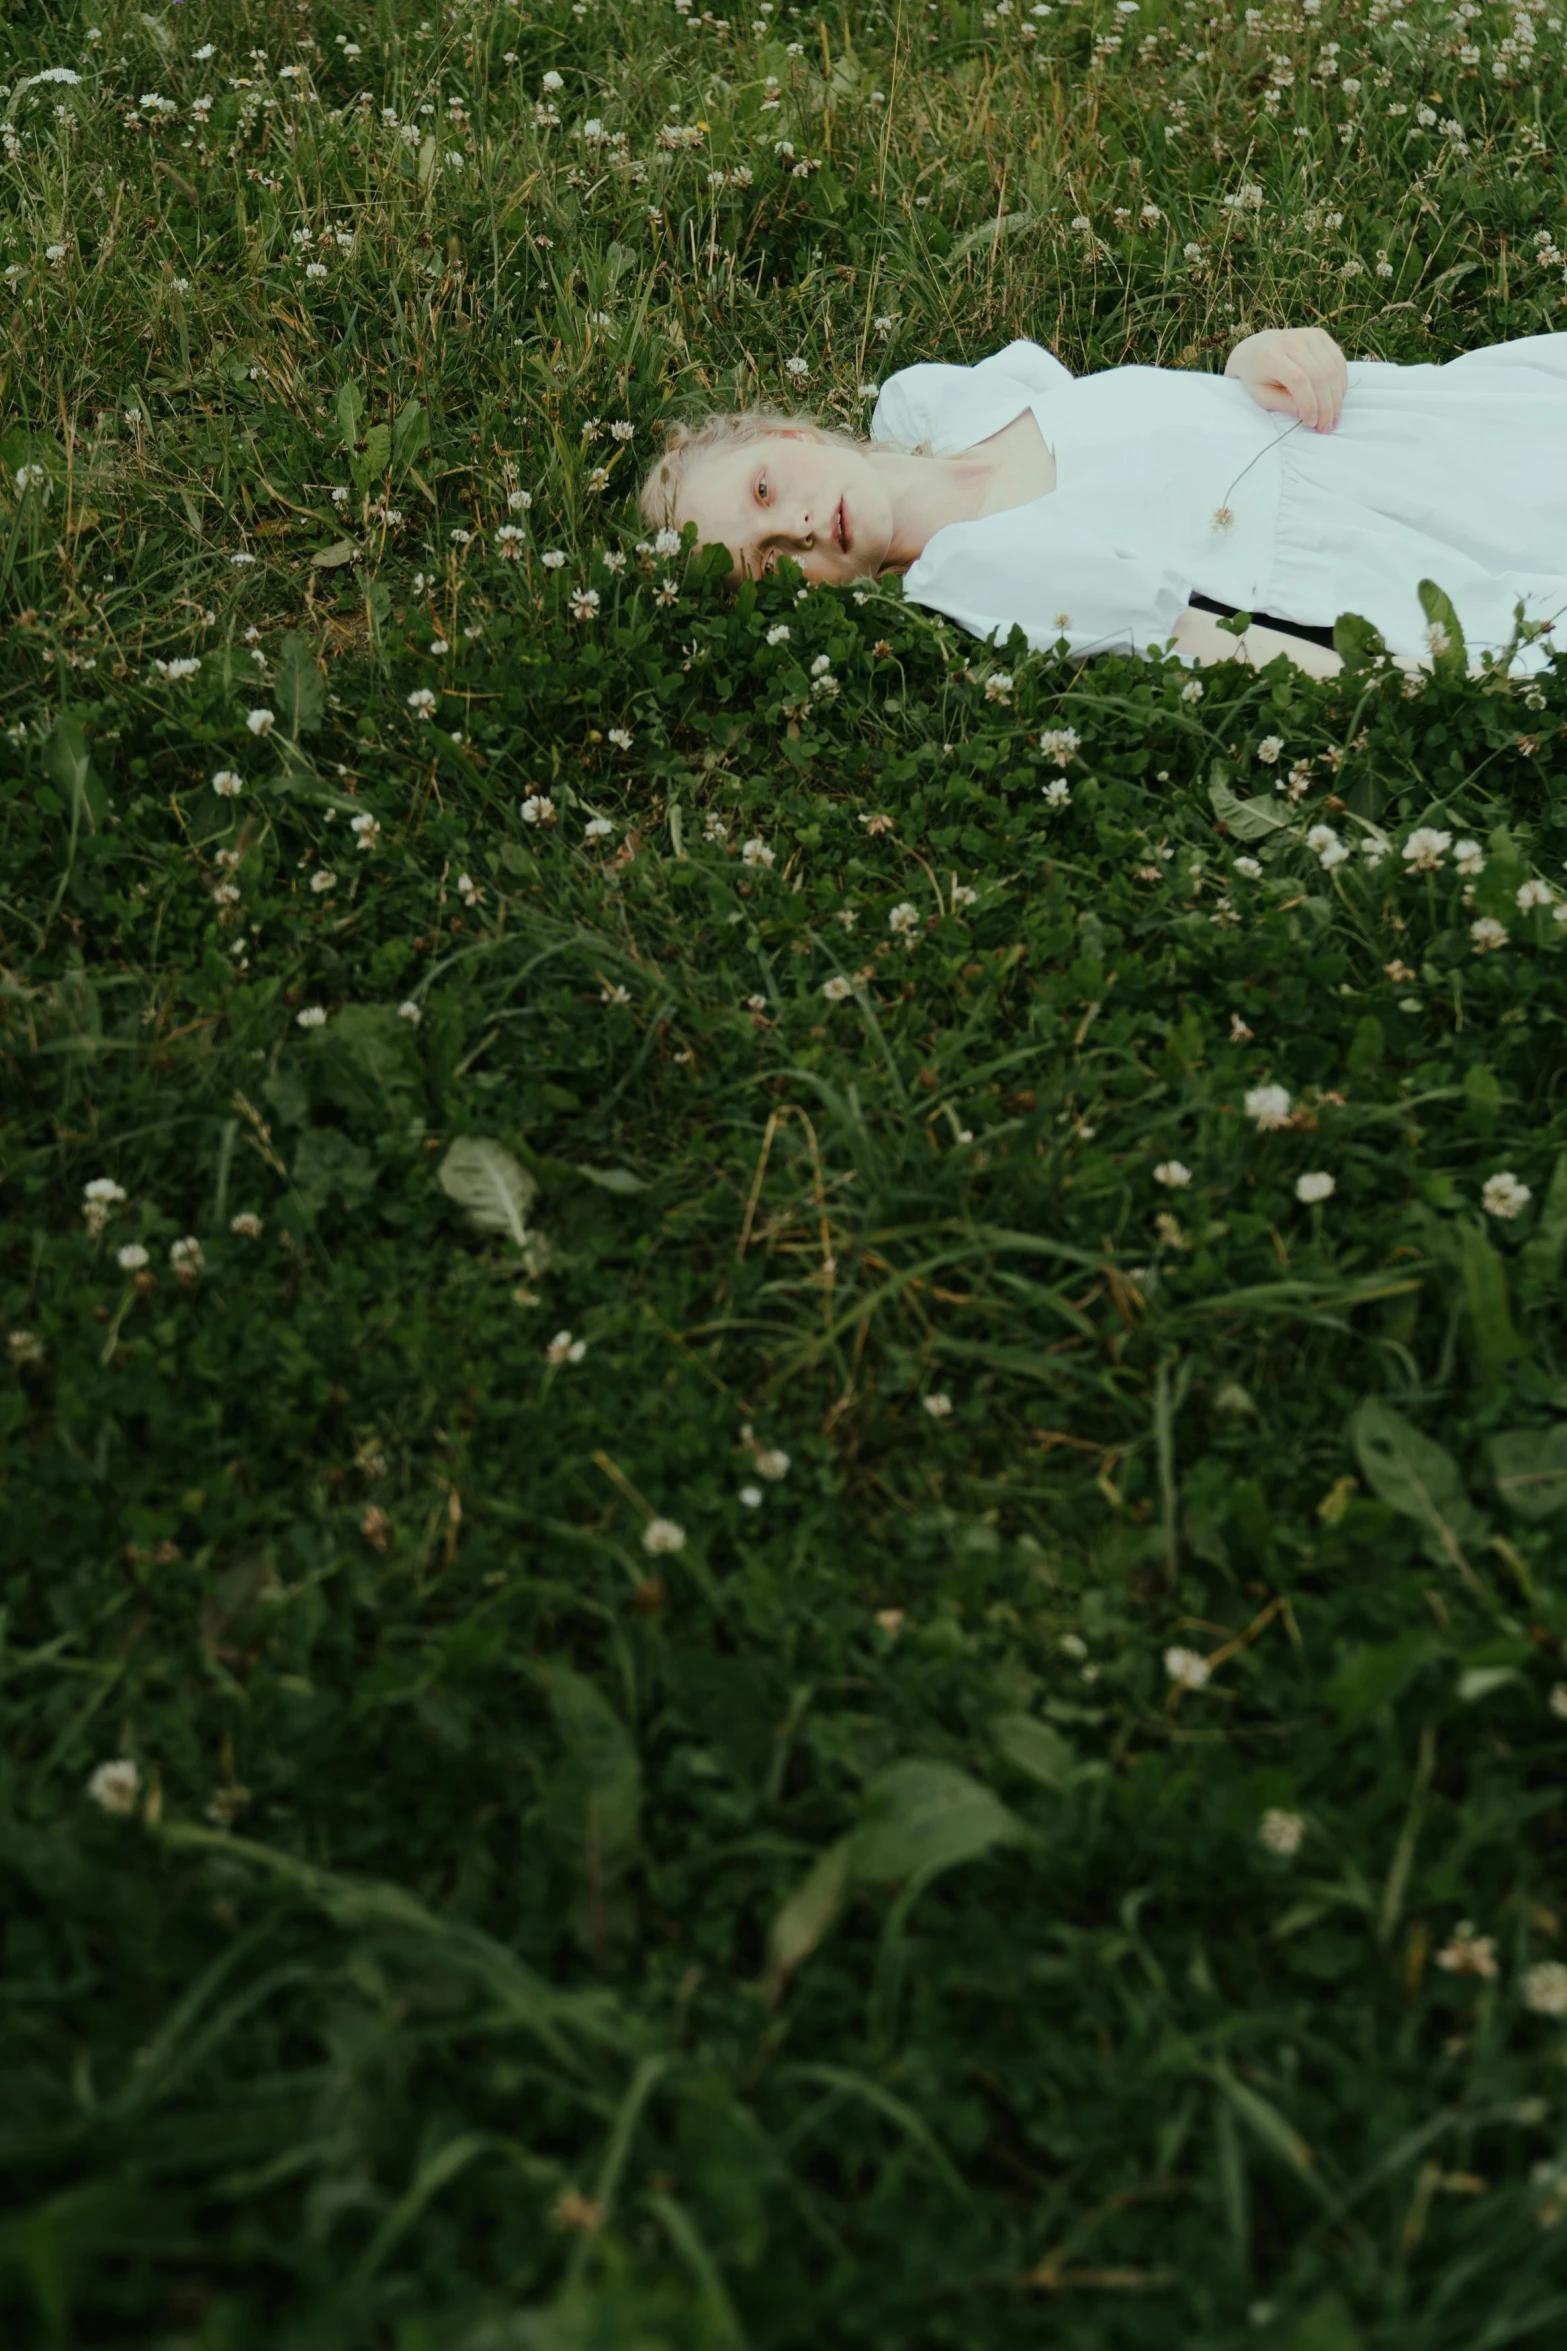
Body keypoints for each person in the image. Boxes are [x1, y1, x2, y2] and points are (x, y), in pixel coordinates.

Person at [639, 326, 1567, 682]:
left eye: (764, 489)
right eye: (767, 559)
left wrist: (1247, 359)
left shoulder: (935, 399)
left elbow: (1145, 408)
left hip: (1379, 429)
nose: (795, 525)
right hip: (1379, 552)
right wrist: (1388, 682)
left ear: (793, 438)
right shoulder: (970, 575)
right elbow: (1189, 637)